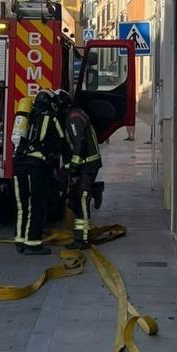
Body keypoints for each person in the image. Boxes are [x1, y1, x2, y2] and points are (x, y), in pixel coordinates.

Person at [12, 86, 66, 254]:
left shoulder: (28, 116)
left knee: (22, 204)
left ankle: (20, 240)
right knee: (36, 205)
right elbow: (62, 142)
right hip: (36, 166)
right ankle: (33, 244)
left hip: (18, 164)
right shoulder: (51, 117)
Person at [61, 91, 102, 248]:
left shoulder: (73, 118)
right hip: (88, 164)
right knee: (77, 199)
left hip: (87, 165)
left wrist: (74, 166)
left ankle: (82, 240)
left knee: (82, 200)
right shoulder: (77, 113)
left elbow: (79, 143)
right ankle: (96, 189)